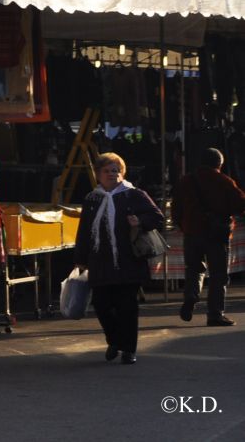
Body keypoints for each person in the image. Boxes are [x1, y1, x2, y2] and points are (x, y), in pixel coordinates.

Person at [75, 151, 165, 364]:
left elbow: (157, 217)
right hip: (100, 263)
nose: (112, 174)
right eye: (107, 171)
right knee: (101, 304)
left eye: (116, 170)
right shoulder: (92, 199)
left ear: (122, 173)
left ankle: (128, 349)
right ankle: (114, 340)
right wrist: (80, 259)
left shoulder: (134, 194)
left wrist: (139, 221)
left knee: (127, 307)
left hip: (128, 262)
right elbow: (84, 230)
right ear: (98, 174)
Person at [174, 147, 245, 326]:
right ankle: (215, 314)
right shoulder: (224, 181)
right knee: (218, 275)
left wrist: (183, 225)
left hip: (191, 233)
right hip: (216, 234)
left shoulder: (186, 181)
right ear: (219, 163)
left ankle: (191, 296)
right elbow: (240, 205)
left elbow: (176, 208)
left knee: (194, 269)